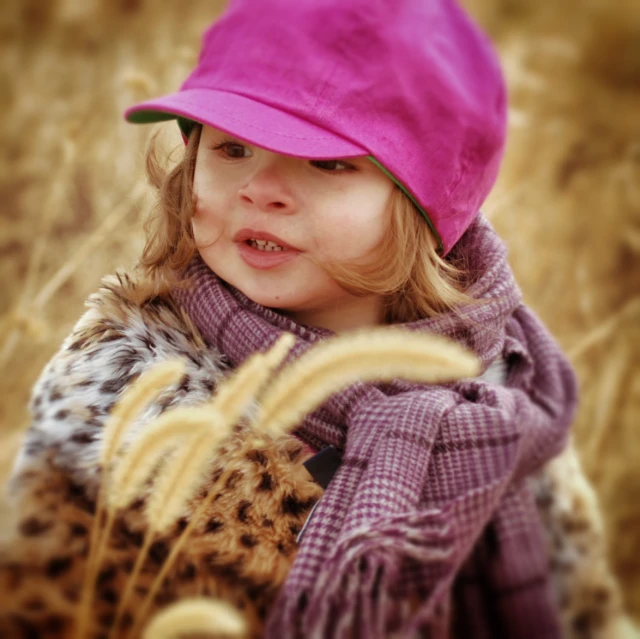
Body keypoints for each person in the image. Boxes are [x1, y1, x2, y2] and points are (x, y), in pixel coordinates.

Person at [6, 0, 584, 637]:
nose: (260, 187)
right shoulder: (122, 396)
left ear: (425, 206)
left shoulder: (506, 405)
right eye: (231, 149)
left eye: (327, 162)